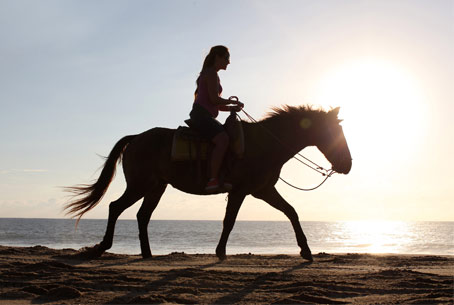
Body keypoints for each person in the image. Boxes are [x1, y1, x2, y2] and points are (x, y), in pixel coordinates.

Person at [189, 45, 244, 193]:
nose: (229, 62)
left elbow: (216, 105)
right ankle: (212, 179)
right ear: (217, 57)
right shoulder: (211, 74)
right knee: (223, 139)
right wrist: (232, 102)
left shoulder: (210, 73)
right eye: (227, 58)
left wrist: (232, 108)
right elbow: (214, 100)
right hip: (202, 116)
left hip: (204, 115)